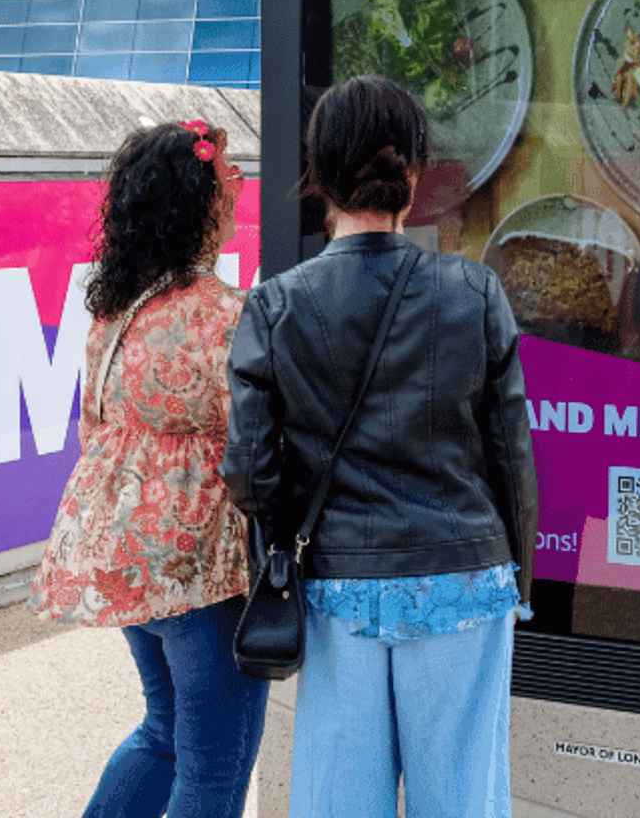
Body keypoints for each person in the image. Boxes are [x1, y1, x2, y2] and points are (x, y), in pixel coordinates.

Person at [222, 75, 538, 818]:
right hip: (464, 577)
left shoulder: (274, 307)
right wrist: (518, 580)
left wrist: (296, 539)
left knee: (339, 801)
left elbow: (247, 468)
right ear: (415, 175)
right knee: (463, 798)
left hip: (338, 588)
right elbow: (512, 458)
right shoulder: (476, 292)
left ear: (318, 178)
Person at [32, 118, 265, 818]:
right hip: (199, 575)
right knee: (214, 769)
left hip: (128, 564)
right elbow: (259, 442)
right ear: (198, 202)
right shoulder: (227, 315)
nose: (241, 187)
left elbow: (91, 428)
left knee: (162, 735)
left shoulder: (115, 309)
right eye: (229, 179)